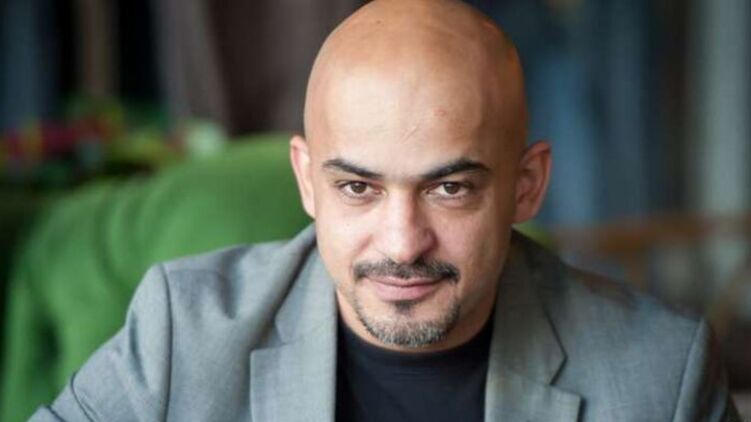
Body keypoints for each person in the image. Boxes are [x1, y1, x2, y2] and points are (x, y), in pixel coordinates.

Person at [32, 0, 739, 421]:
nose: (402, 244)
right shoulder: (182, 333)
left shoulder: (658, 375)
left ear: (527, 185)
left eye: (449, 189)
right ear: (307, 182)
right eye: (357, 188)